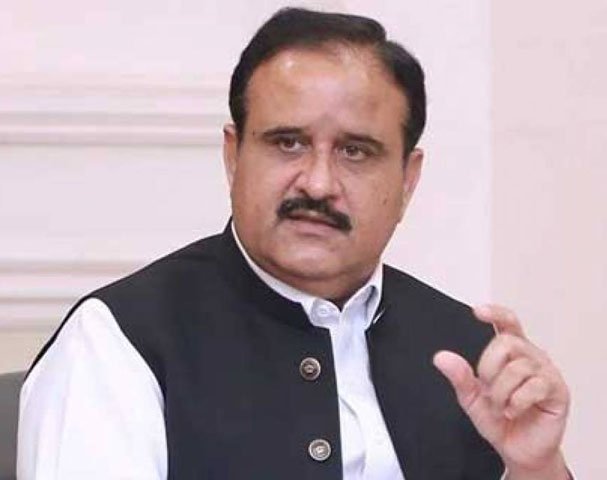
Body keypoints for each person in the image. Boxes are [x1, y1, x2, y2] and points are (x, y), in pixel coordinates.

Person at [17, 7, 571, 480]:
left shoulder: (467, 355)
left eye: (355, 151)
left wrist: (536, 467)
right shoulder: (119, 341)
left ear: (408, 180)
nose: (318, 183)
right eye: (288, 143)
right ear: (233, 156)